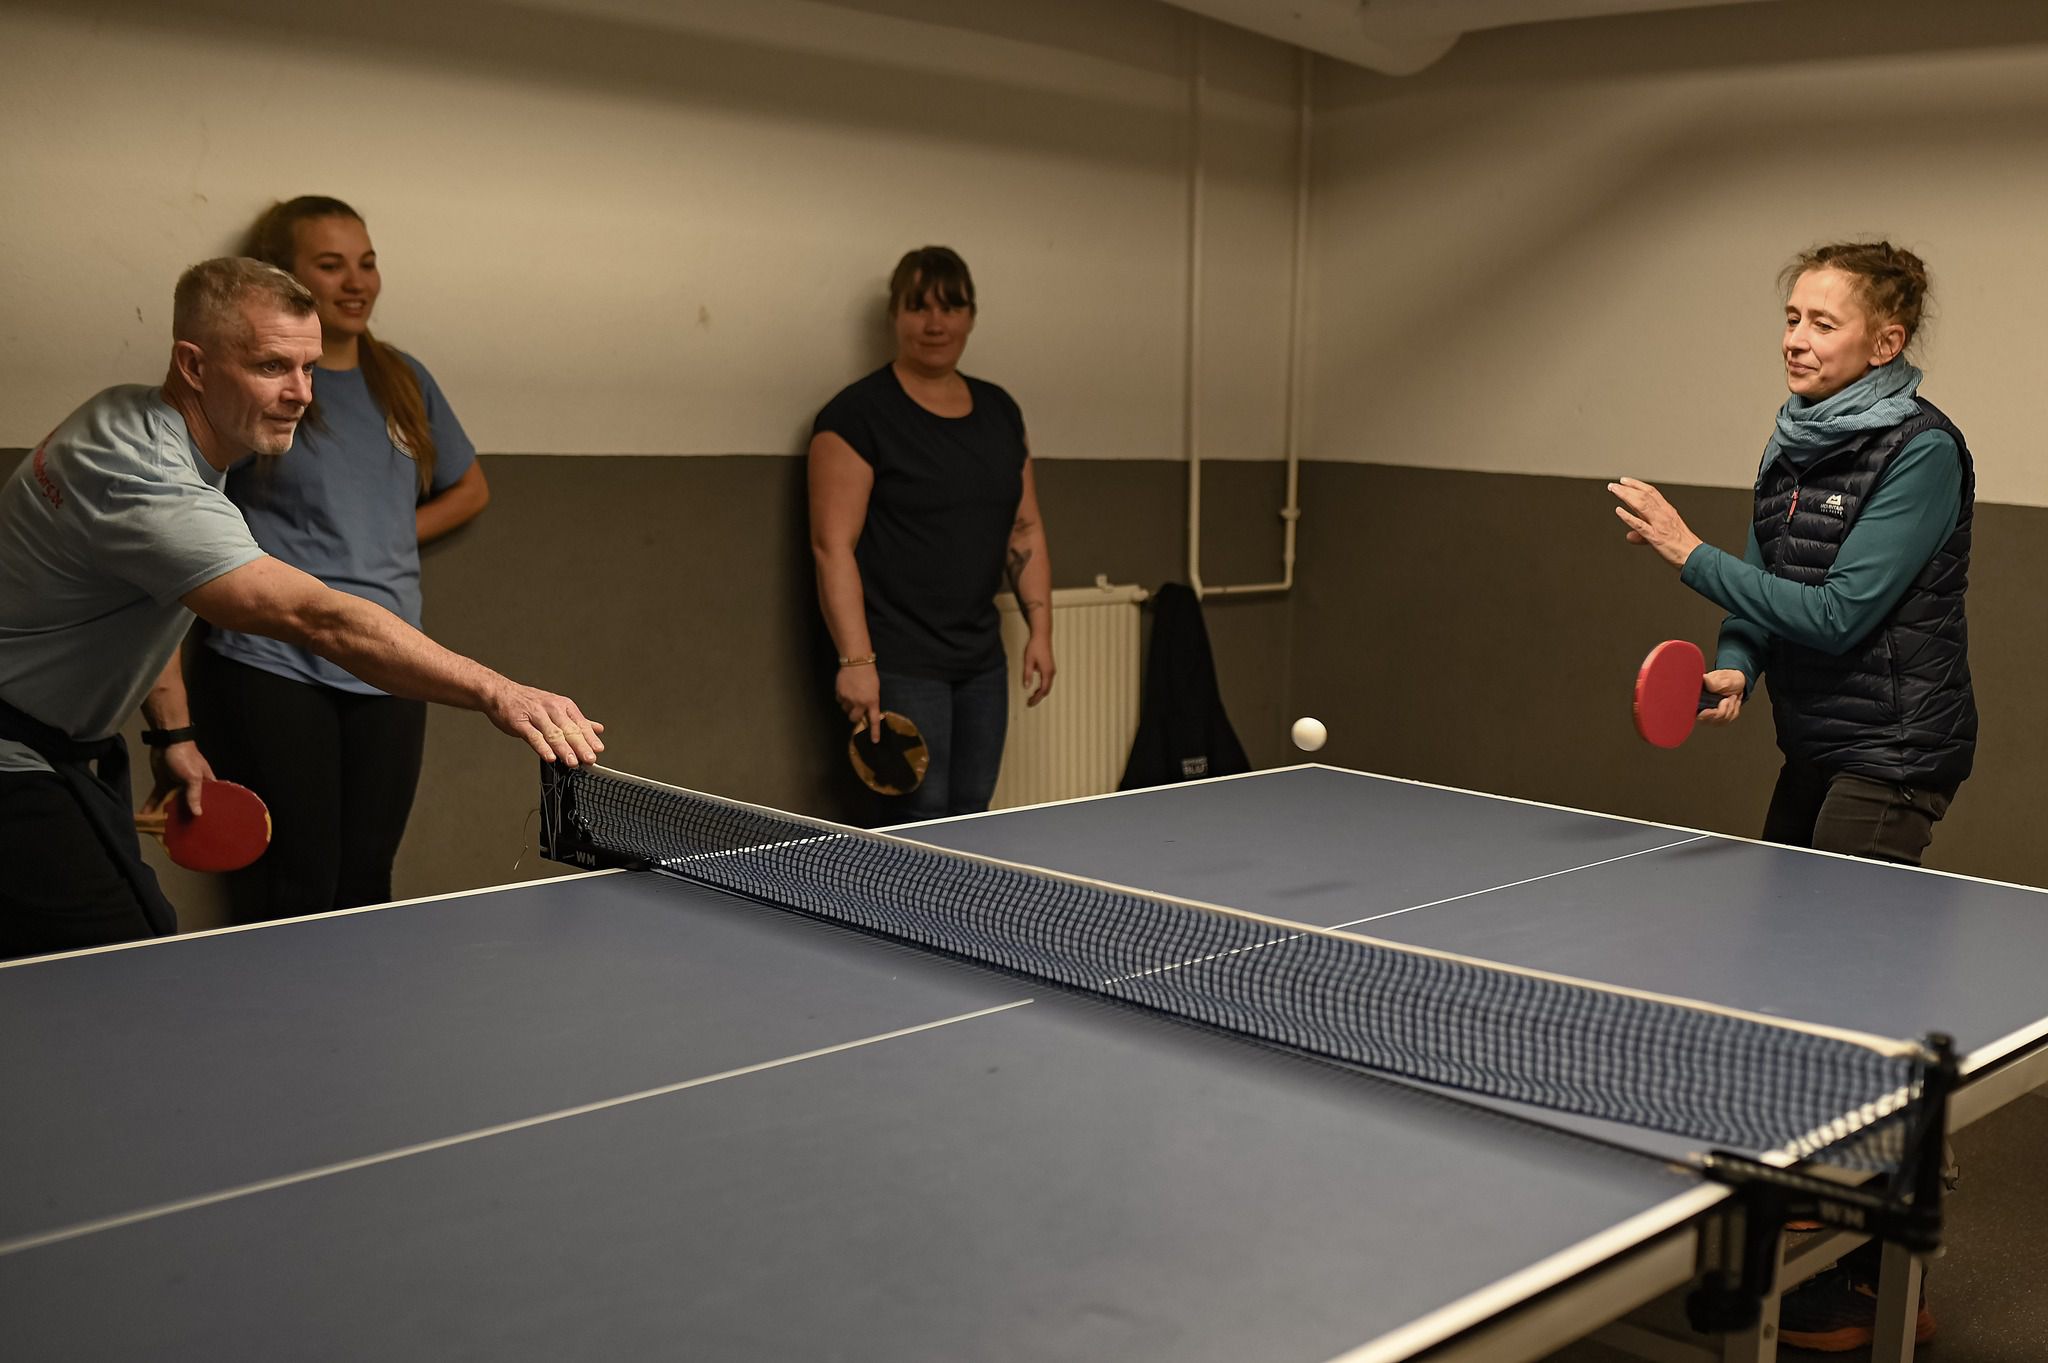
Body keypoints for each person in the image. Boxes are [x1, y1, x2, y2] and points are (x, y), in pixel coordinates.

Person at [0, 257, 601, 961]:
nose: (301, 394)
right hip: (18, 753)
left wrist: (172, 736)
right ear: (193, 366)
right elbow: (318, 619)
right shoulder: (149, 477)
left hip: (61, 747)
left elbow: (148, 589)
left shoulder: (129, 416)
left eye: (309, 367)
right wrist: (498, 691)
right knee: (130, 967)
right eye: (271, 367)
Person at [1611, 240, 1965, 1350]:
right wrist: (1735, 662)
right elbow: (1774, 584)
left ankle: (1880, 1264)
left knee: (1852, 1001)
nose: (1795, 339)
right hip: (1816, 741)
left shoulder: (1922, 452)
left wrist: (1684, 551)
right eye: (1792, 317)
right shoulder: (1797, 437)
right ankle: (1825, 1221)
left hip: (1892, 752)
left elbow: (1842, 613)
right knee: (1793, 982)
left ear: (1884, 341)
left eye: (1822, 322)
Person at [186, 196, 489, 920]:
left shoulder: (402, 377)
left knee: (367, 880)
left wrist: (383, 536)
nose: (356, 282)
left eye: (366, 263)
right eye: (330, 265)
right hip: (274, 663)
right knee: (300, 881)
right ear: (286, 280)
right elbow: (191, 498)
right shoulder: (268, 384)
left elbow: (471, 488)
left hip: (390, 655)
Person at [808, 246, 1054, 820]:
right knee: (921, 824)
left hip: (981, 661)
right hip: (898, 662)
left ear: (971, 315)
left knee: (973, 814)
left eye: (951, 307)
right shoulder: (856, 416)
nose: (935, 323)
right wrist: (857, 663)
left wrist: (1040, 630)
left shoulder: (1001, 411)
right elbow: (832, 547)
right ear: (895, 316)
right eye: (919, 307)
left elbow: (1026, 528)